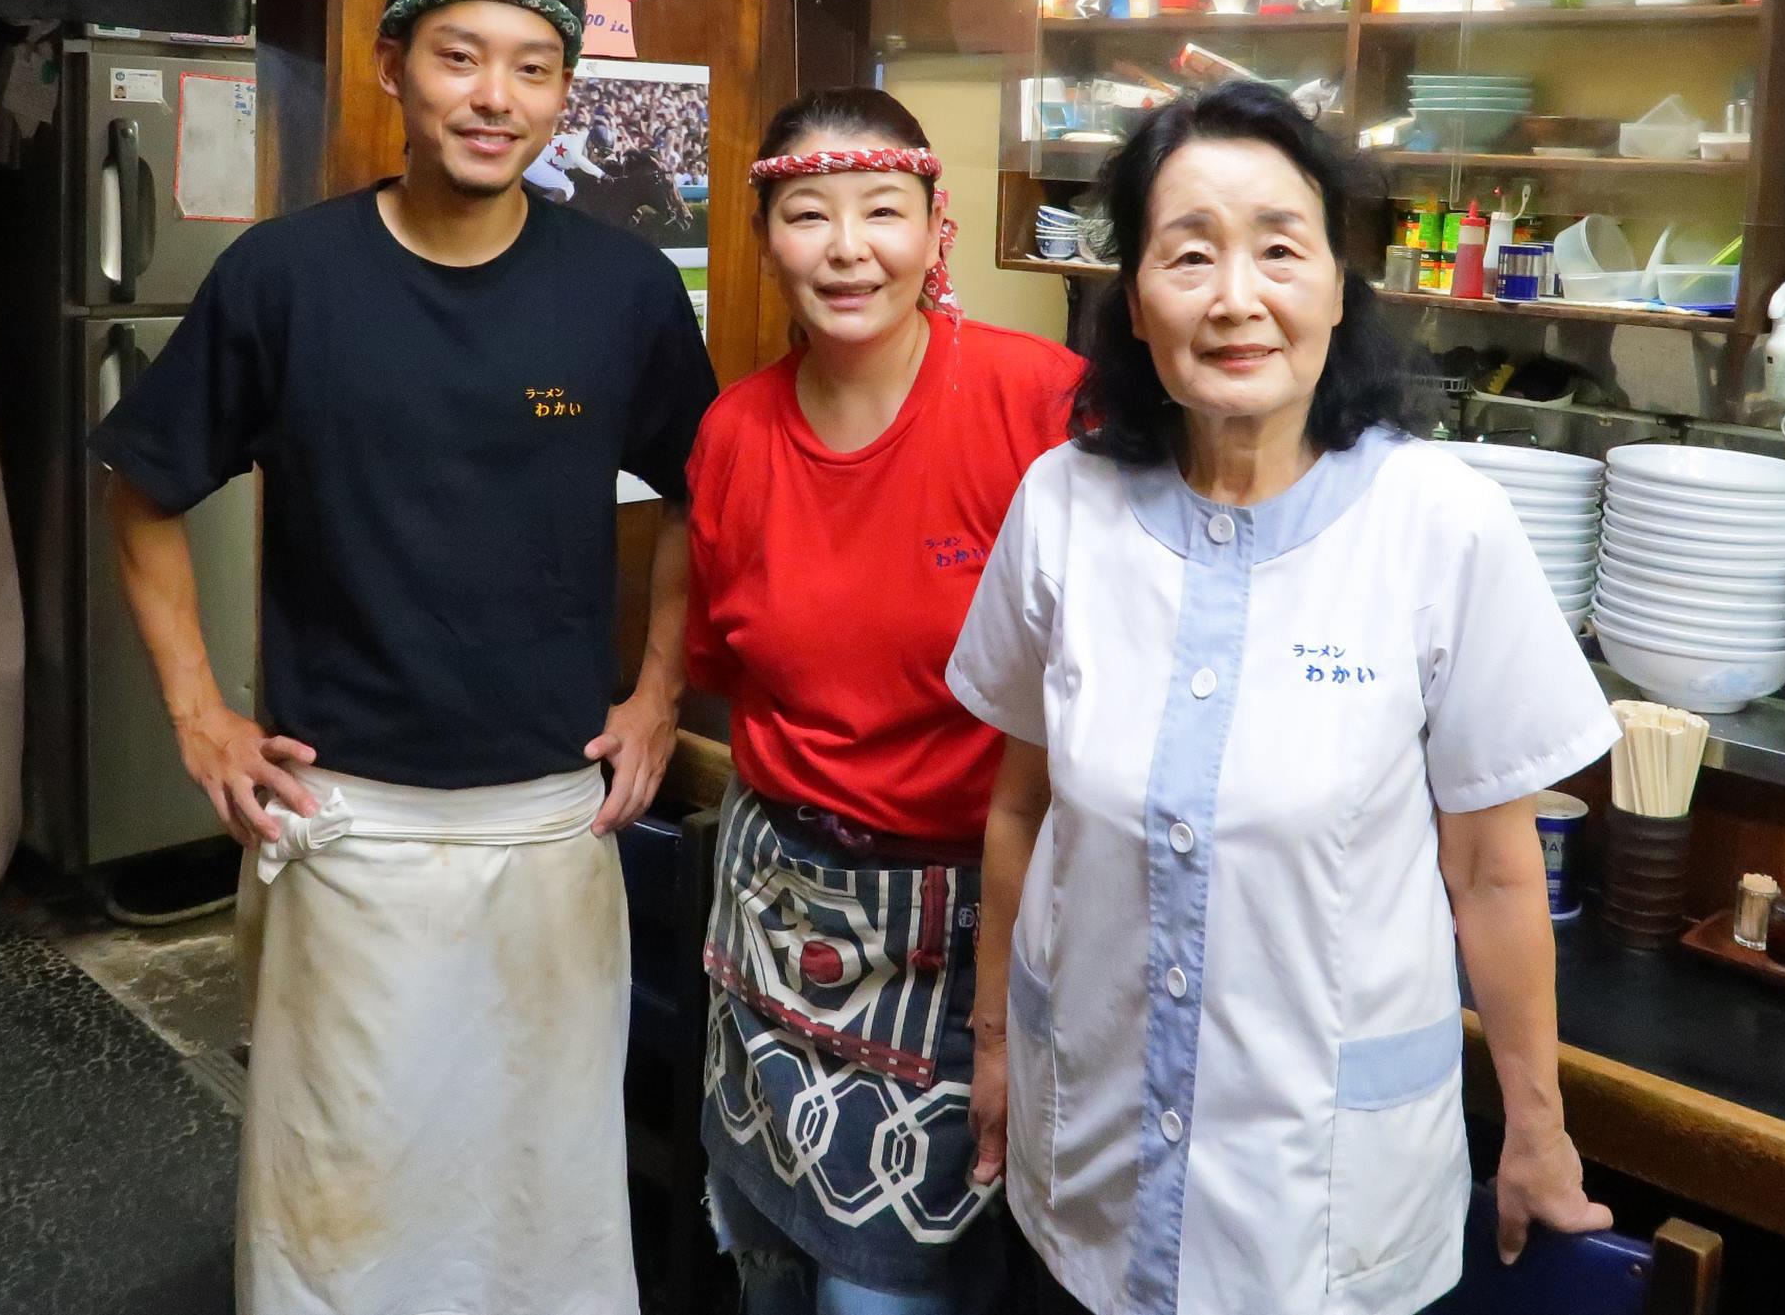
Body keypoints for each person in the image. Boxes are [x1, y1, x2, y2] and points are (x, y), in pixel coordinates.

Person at [91, 0, 717, 1315]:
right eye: (459, 56)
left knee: (540, 1193)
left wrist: (661, 692)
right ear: (393, 66)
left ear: (568, 94)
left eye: (533, 68)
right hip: (347, 825)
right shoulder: (286, 277)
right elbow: (139, 487)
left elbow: (704, 490)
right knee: (341, 1193)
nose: (494, 97)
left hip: (551, 822)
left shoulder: (619, 288)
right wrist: (199, 717)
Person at [949, 79, 1619, 1315]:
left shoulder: (1439, 524)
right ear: (1134, 305)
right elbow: (1018, 811)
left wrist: (1536, 1127)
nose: (1235, 297)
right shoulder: (1060, 506)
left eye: (1276, 249)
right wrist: (991, 1044)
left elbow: (1490, 868)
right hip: (1081, 1166)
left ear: (1334, 287)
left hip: (1319, 1215)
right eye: (1188, 253)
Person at [685, 89, 1082, 1314]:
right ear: (765, 241)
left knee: (888, 1294)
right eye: (807, 215)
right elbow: (723, 654)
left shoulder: (1042, 405)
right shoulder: (734, 433)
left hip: (967, 930)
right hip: (772, 910)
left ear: (934, 227)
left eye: (880, 212)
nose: (846, 248)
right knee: (763, 1263)